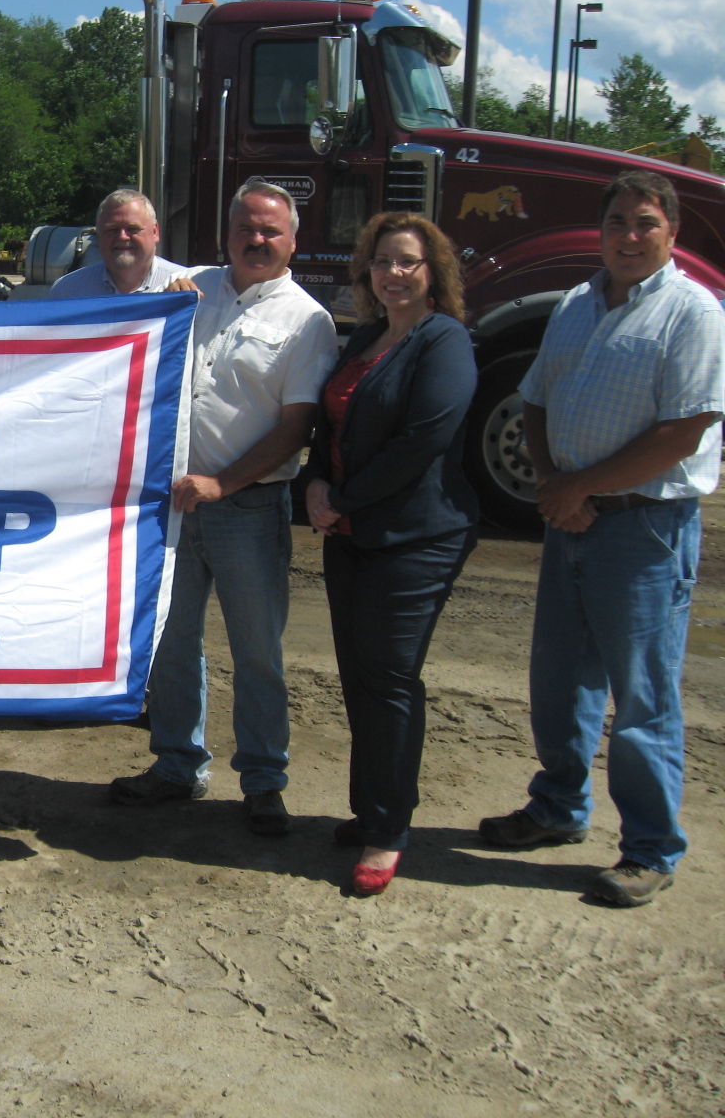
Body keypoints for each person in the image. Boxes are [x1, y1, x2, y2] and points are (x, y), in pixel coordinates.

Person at [479, 170, 724, 907]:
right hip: (572, 522)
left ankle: (650, 848)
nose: (629, 235)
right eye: (617, 221)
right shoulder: (578, 304)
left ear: (671, 232)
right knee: (560, 681)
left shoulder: (692, 312)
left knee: (642, 697)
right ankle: (558, 806)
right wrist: (557, 484)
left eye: (645, 223)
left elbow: (683, 431)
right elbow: (536, 400)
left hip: (644, 529)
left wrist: (578, 488)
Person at [110, 179, 335, 836]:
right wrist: (165, 307)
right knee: (171, 643)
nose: (256, 239)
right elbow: (124, 341)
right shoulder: (191, 288)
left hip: (249, 510)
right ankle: (177, 765)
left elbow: (295, 428)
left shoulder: (308, 321)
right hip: (173, 506)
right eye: (245, 227)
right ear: (226, 233)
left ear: (292, 240)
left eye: (270, 230)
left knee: (257, 650)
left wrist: (223, 484)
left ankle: (264, 782)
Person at [302, 213, 479, 896]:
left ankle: (389, 830)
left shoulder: (445, 340)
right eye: (382, 261)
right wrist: (316, 483)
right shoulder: (368, 336)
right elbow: (331, 422)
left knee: (390, 678)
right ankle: (370, 808)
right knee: (358, 676)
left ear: (434, 272)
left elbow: (422, 441)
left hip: (417, 537)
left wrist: (342, 498)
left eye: (407, 261)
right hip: (352, 533)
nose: (393, 273)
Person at [49, 189, 187, 297]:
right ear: (99, 235)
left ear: (155, 232)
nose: (122, 237)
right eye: (112, 230)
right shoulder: (68, 291)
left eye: (132, 229)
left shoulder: (185, 284)